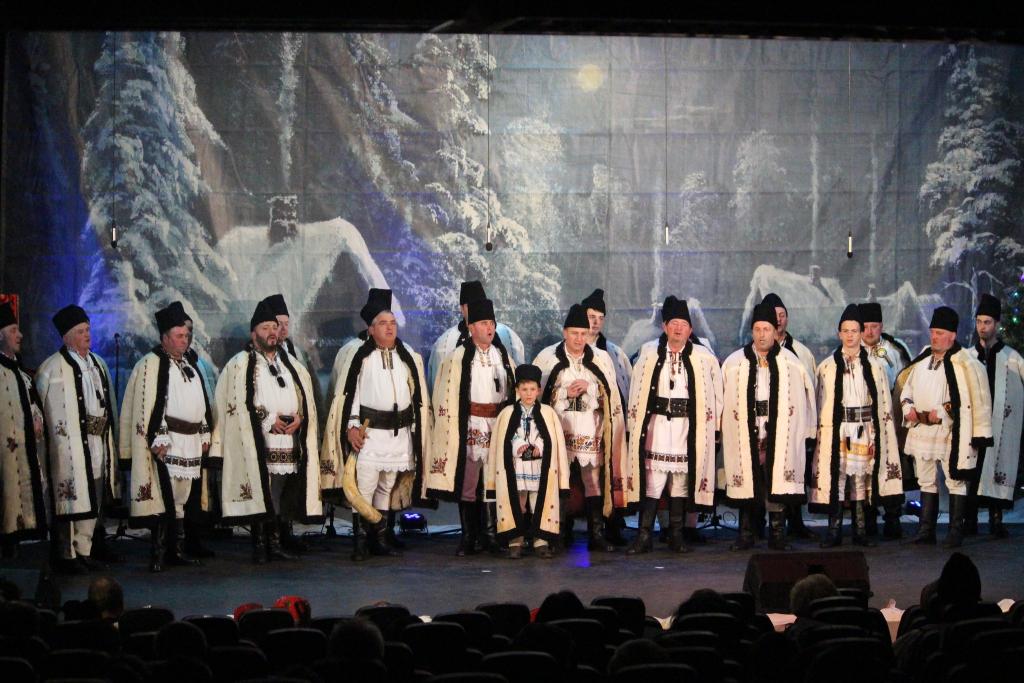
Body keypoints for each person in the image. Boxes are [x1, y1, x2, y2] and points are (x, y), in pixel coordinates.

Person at [208, 300, 322, 563]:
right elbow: (235, 403)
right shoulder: (240, 365)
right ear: (253, 333)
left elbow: (305, 398)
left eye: (274, 327)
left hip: (288, 439)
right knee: (263, 491)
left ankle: (276, 542)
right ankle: (260, 545)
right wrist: (268, 419)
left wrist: (300, 417)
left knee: (279, 492)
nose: (272, 332)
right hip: (260, 441)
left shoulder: (290, 363)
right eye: (265, 328)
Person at [321, 288, 430, 561]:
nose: (390, 328)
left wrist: (414, 428)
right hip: (370, 434)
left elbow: (415, 393)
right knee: (365, 487)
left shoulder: (406, 355)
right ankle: (360, 544)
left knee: (386, 486)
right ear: (371, 329)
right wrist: (352, 426)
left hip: (398, 434)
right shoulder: (361, 356)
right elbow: (351, 395)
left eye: (392, 323)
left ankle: (378, 540)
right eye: (383, 323)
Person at [625, 296, 722, 555]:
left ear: (690, 329)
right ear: (665, 326)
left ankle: (676, 536)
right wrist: (633, 425)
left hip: (686, 427)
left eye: (683, 324)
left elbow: (717, 395)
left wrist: (715, 429)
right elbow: (636, 391)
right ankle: (644, 535)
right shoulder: (648, 354)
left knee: (680, 480)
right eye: (673, 324)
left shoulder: (704, 357)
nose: (678, 329)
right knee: (653, 480)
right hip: (657, 426)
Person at [119, 303, 211, 572]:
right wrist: (158, 437)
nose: (185, 340)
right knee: (162, 497)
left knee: (181, 498)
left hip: (189, 442)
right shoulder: (151, 364)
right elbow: (148, 404)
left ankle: (176, 550)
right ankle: (158, 552)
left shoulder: (189, 364)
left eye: (187, 336)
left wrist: (204, 430)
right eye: (179, 336)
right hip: (168, 442)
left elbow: (200, 402)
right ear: (165, 338)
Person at [534, 304, 633, 551]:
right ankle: (559, 533)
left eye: (583, 333)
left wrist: (591, 388)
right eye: (574, 333)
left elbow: (611, 396)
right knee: (560, 479)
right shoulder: (548, 358)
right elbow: (536, 396)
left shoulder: (600, 358)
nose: (579, 339)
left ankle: (596, 534)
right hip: (561, 431)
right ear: (565, 332)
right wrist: (563, 392)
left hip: (591, 429)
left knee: (593, 481)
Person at [722, 302, 816, 551]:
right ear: (752, 331)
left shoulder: (791, 363)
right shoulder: (734, 363)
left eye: (766, 329)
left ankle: (777, 534)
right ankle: (746, 534)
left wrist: (808, 430)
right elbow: (720, 398)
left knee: (776, 482)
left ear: (775, 331)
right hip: (746, 434)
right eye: (757, 329)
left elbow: (807, 398)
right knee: (747, 482)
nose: (762, 334)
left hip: (779, 434)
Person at [897, 306, 992, 548]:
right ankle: (926, 530)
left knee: (954, 480)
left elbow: (966, 398)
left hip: (949, 433)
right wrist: (908, 406)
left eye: (939, 333)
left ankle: (955, 531)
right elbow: (907, 389)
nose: (934, 337)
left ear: (952, 335)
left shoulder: (964, 363)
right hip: (922, 430)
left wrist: (940, 412)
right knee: (926, 479)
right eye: (932, 332)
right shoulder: (923, 359)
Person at [809, 304, 903, 548]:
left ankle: (860, 532)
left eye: (854, 331)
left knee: (860, 479)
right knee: (837, 477)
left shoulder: (875, 366)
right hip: (838, 429)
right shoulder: (827, 367)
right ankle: (834, 532)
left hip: (863, 427)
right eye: (846, 331)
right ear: (839, 333)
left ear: (861, 333)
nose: (850, 335)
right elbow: (820, 402)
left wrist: (877, 433)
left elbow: (882, 402)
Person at [36, 304, 121, 574]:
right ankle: (66, 554)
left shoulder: (96, 364)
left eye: (88, 330)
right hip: (69, 447)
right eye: (81, 331)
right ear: (67, 337)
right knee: (70, 500)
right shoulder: (52, 368)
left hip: (97, 443)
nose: (87, 335)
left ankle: (85, 550)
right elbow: (38, 406)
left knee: (93, 496)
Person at [427, 298, 516, 555]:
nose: (490, 328)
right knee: (469, 481)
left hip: (497, 423)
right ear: (471, 327)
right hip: (471, 424)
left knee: (492, 480)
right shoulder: (457, 357)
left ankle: (490, 535)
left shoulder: (503, 356)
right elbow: (445, 394)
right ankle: (468, 537)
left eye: (492, 323)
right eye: (484, 323)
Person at [485, 364, 569, 559]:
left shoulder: (548, 413)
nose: (529, 393)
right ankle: (516, 541)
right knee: (517, 502)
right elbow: (505, 438)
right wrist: (519, 445)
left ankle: (541, 541)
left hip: (539, 466)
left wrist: (539, 445)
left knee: (539, 501)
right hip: (517, 466)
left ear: (538, 390)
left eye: (532, 389)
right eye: (524, 389)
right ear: (517, 390)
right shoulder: (507, 414)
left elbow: (550, 437)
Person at [262, 293, 322, 553]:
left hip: (295, 430)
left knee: (290, 484)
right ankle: (270, 538)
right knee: (271, 486)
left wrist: (303, 417)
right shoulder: (257, 358)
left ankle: (285, 531)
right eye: (278, 324)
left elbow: (308, 390)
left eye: (287, 323)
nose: (283, 329)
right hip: (270, 432)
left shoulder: (294, 352)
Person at [761, 292, 818, 541]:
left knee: (794, 473)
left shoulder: (800, 353)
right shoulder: (751, 354)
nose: (778, 320)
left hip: (792, 425)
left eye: (782, 315)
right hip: (763, 426)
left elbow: (810, 389)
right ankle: (757, 526)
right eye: (774, 316)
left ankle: (796, 523)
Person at [965, 293, 1022, 538]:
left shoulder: (1011, 358)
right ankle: (969, 521)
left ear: (996, 324)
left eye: (987, 322)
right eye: (979, 322)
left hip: (1000, 425)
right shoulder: (967, 357)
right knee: (972, 470)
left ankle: (996, 520)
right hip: (975, 425)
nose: (982, 327)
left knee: (997, 465)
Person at [581, 287, 632, 547]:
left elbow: (623, 387)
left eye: (600, 317)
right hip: (576, 424)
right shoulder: (562, 351)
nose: (595, 322)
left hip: (606, 424)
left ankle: (610, 526)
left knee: (610, 474)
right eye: (591, 316)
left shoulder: (613, 353)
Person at [859, 301, 914, 538]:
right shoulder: (850, 349)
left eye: (874, 326)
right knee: (865, 470)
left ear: (881, 326)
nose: (869, 331)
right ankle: (868, 518)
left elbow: (908, 381)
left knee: (892, 469)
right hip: (862, 422)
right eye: (865, 327)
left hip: (890, 420)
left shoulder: (894, 349)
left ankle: (893, 518)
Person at [0, 301, 48, 556]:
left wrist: (37, 418)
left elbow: (32, 403)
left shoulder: (21, 373)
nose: (20, 335)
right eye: (13, 330)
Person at [427, 280, 525, 393]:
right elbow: (438, 387)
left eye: (480, 304)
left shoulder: (509, 337)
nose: (476, 309)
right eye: (471, 306)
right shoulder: (445, 343)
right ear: (462, 309)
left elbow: (521, 381)